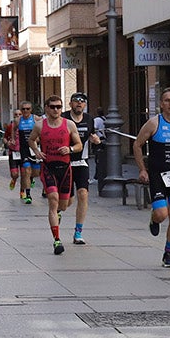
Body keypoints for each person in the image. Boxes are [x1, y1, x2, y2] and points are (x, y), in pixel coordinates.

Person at [133, 88, 170, 267]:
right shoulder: (153, 123)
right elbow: (137, 145)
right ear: (161, 104)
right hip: (157, 175)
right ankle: (154, 218)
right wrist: (142, 169)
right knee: (162, 214)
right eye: (167, 101)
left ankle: (168, 252)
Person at [30, 96, 82, 255]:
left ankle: (58, 212)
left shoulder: (69, 125)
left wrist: (70, 149)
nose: (56, 110)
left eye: (59, 107)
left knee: (64, 205)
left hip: (65, 168)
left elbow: (79, 145)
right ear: (46, 108)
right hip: (48, 168)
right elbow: (31, 140)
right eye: (52, 107)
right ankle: (57, 240)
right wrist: (37, 152)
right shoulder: (40, 125)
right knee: (53, 198)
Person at [61, 92, 104, 244]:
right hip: (64, 162)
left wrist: (96, 140)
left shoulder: (89, 119)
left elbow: (92, 134)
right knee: (67, 202)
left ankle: (78, 232)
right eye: (76, 101)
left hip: (81, 162)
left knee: (83, 194)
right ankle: (59, 210)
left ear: (85, 105)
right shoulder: (64, 118)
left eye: (82, 101)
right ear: (71, 104)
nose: (79, 103)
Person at [14, 101, 38, 204]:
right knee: (26, 170)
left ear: (31, 110)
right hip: (24, 149)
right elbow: (13, 129)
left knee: (36, 172)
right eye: (23, 109)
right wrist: (13, 139)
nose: (25, 111)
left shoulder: (36, 119)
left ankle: (32, 178)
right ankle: (28, 195)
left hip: (35, 148)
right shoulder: (18, 120)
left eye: (27, 109)